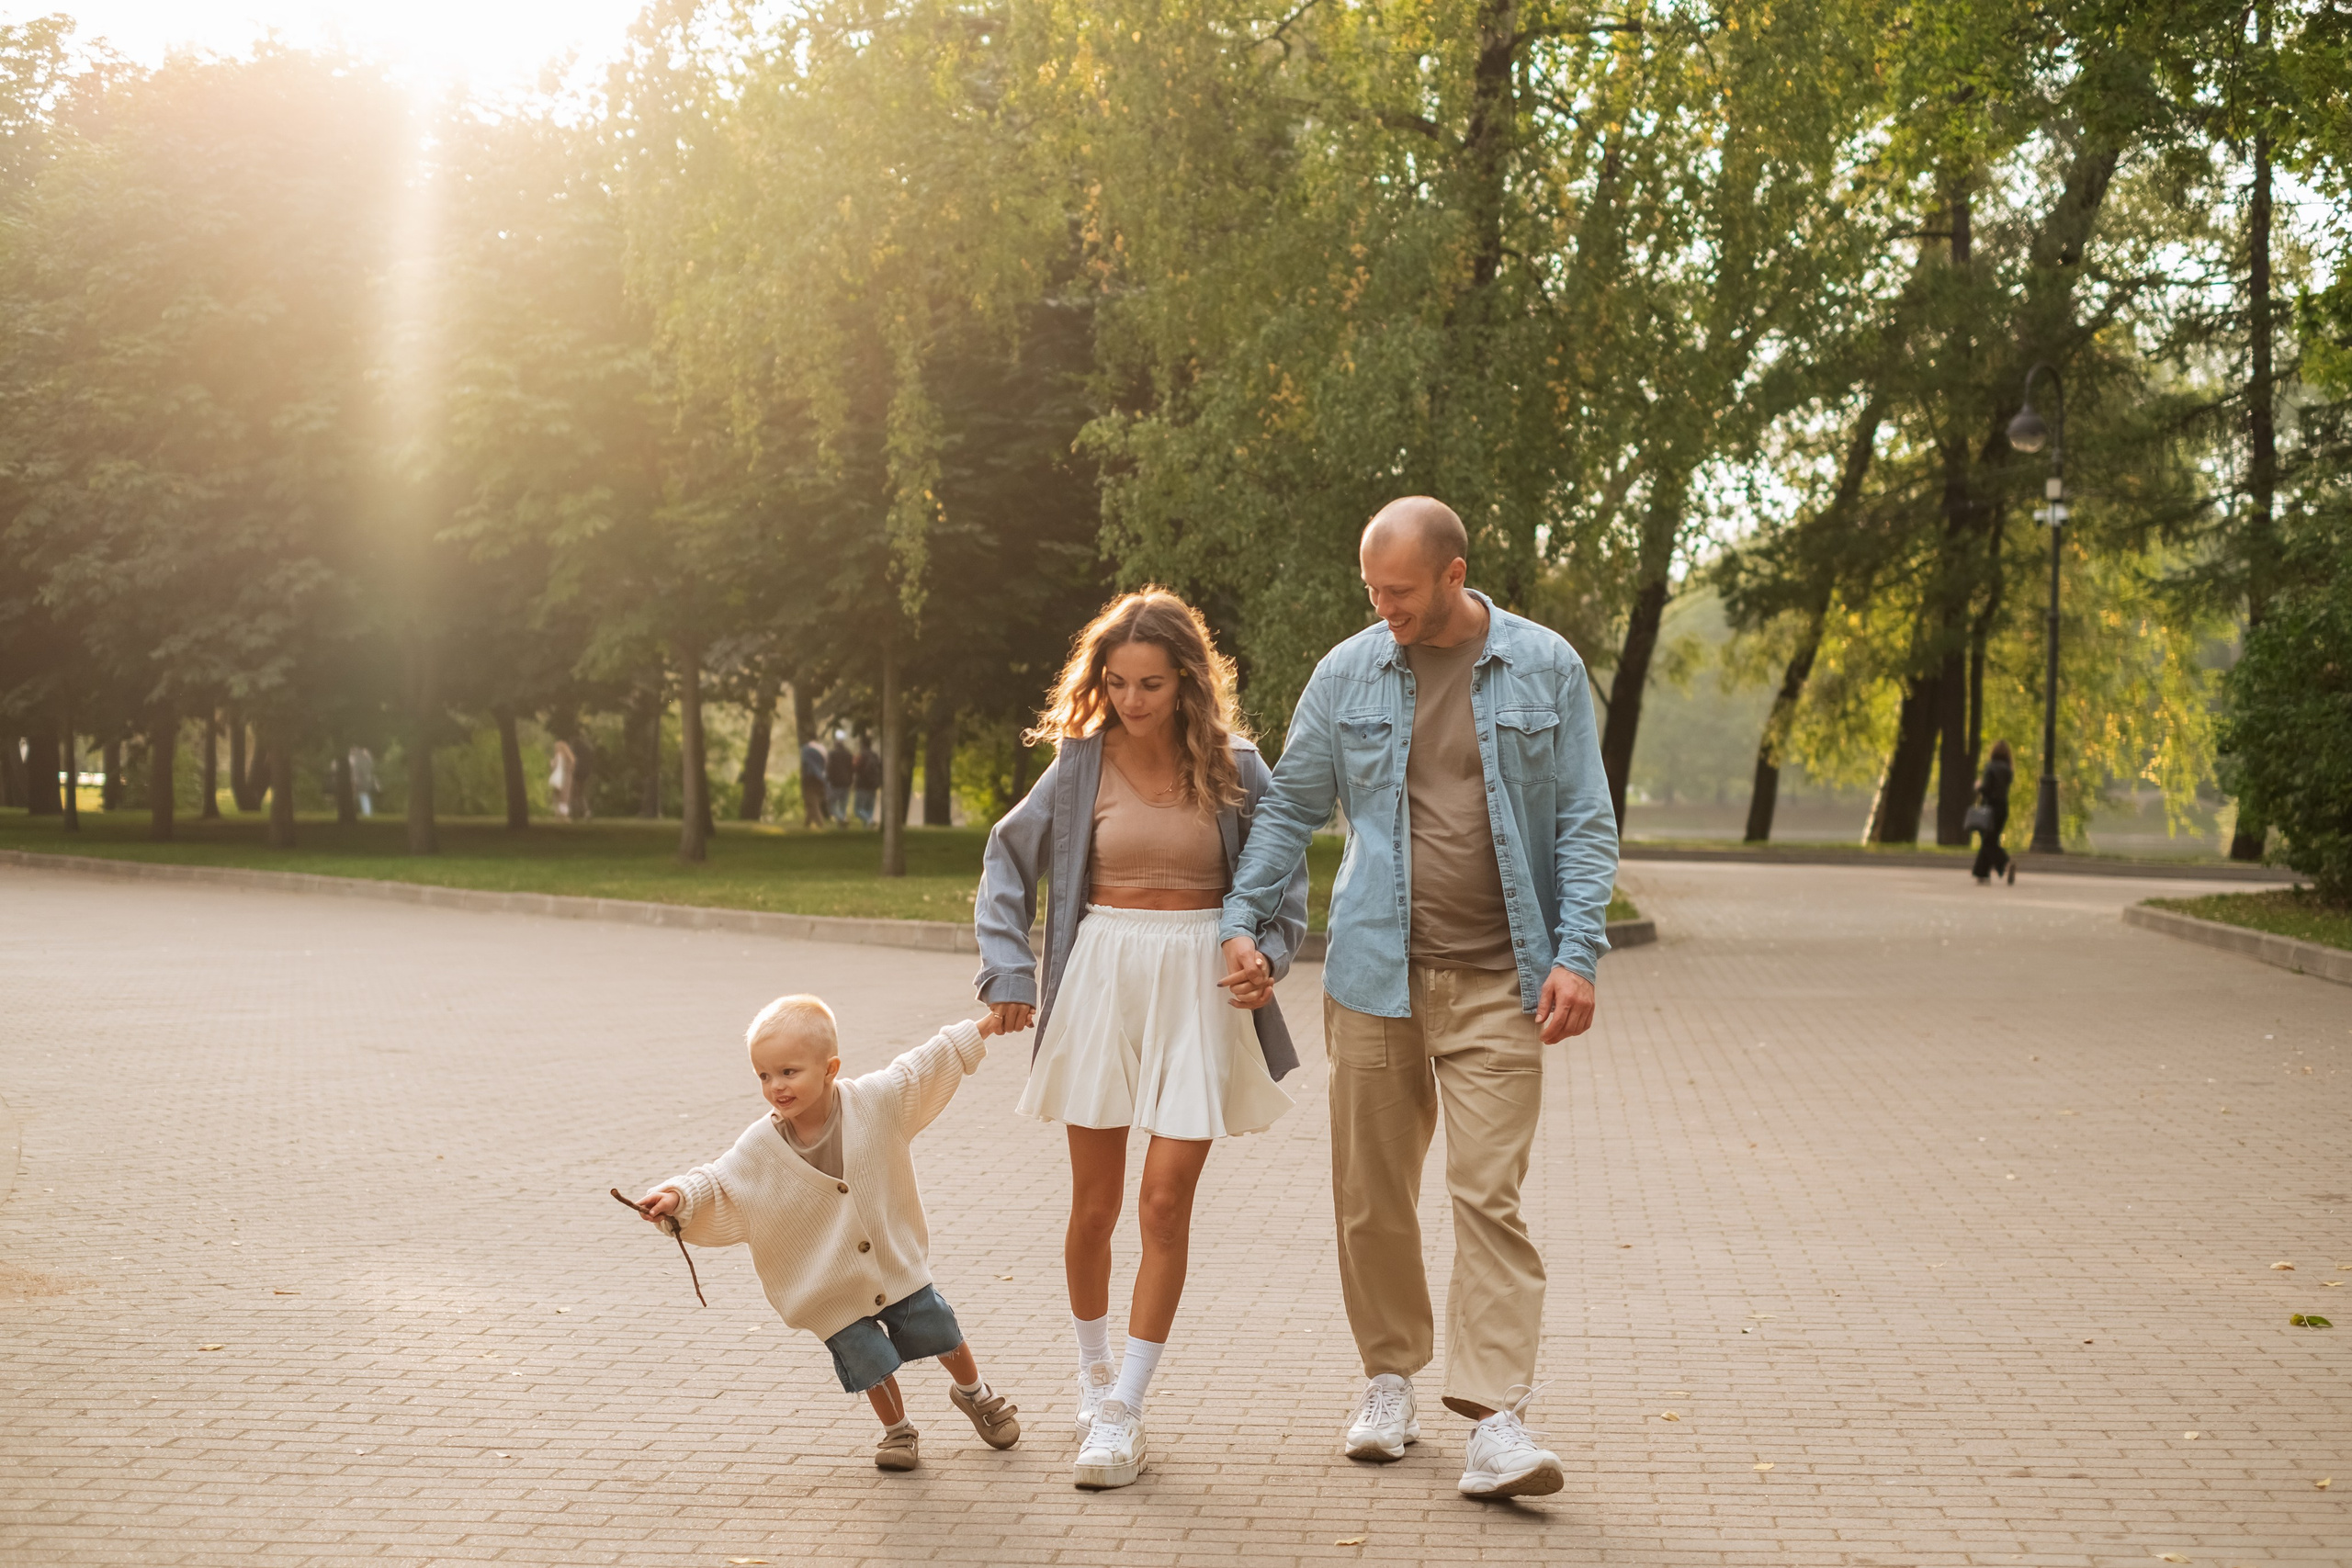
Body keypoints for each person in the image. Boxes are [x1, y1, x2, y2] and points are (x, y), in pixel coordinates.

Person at [1216, 497, 1618, 1502]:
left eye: (1398, 591)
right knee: (1372, 1200)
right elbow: (1288, 809)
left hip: (1499, 982)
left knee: (1488, 1195)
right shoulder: (1348, 672)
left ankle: (1494, 1421)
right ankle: (1388, 1379)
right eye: (1371, 591)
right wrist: (1241, 918)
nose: (1382, 607)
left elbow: (1582, 819)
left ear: (1453, 574)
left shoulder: (1545, 666)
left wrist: (1578, 953)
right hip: (1372, 978)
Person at [974, 589, 1309, 1492]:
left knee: (1163, 1205)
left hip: (1199, 987)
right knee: (1094, 1205)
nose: (1131, 700)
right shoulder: (1081, 765)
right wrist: (1007, 973)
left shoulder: (1236, 765)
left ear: (1188, 681)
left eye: (1151, 684)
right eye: (1117, 683)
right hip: (1102, 977)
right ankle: (1090, 1378)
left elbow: (1285, 878)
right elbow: (1007, 856)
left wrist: (1269, 957)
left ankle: (1125, 1410)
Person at [633, 995, 1023, 1473]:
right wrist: (677, 1197)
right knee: (869, 1358)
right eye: (764, 1075)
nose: (776, 1086)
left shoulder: (876, 1101)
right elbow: (719, 1179)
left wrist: (982, 1028)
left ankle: (974, 1393)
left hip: (892, 1263)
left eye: (789, 1072)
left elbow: (922, 1065)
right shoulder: (761, 1145)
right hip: (828, 1285)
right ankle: (898, 1431)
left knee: (939, 1329)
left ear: (829, 1067)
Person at [1973, 739, 2017, 885]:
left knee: (1988, 841)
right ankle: (1982, 874)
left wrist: (1978, 786)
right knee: (1990, 840)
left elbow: (1986, 789)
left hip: (1990, 809)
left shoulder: (1990, 767)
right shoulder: (2008, 770)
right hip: (2003, 808)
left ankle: (2005, 864)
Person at [799, 738, 831, 829]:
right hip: (821, 778)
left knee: (811, 802)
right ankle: (807, 825)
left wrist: (804, 777)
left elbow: (805, 763)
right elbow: (826, 764)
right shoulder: (822, 749)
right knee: (813, 801)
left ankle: (820, 823)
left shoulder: (806, 749)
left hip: (810, 777)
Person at [853, 737, 883, 827]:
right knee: (869, 808)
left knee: (858, 809)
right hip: (873, 785)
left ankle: (869, 820)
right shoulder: (875, 755)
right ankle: (867, 827)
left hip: (862, 785)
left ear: (862, 744)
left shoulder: (861, 755)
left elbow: (855, 768)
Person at [826, 736, 855, 825]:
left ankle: (841, 818)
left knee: (832, 804)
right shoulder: (848, 754)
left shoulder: (832, 754)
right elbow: (852, 769)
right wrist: (851, 780)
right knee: (843, 804)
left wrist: (828, 778)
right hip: (846, 782)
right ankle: (842, 821)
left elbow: (829, 767)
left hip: (835, 783)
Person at [548, 741, 575, 820]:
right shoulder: (570, 758)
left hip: (558, 779)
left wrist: (551, 763)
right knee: (564, 797)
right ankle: (563, 815)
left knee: (557, 797)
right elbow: (570, 769)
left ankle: (559, 814)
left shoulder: (558, 756)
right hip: (566, 778)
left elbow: (554, 767)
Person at [347, 747, 376, 818]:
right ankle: (365, 812)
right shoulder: (364, 758)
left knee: (362, 795)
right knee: (361, 796)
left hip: (359, 780)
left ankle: (366, 813)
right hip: (360, 780)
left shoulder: (357, 759)